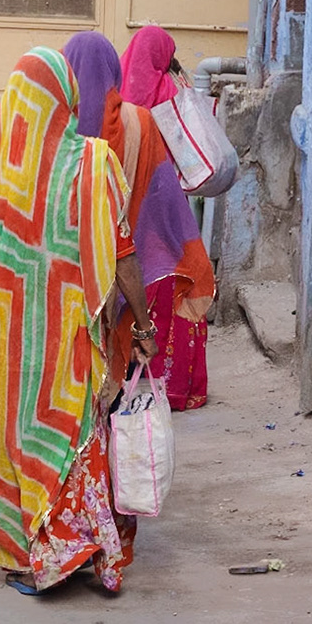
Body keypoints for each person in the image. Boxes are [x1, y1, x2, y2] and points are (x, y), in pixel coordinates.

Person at [0, 47, 157, 595]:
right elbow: (124, 254)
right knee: (68, 430)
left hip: (0, 333)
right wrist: (144, 326)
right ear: (68, 98)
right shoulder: (94, 163)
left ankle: (22, 555)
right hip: (68, 335)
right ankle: (73, 548)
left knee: (4, 435)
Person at [65, 31, 218, 406]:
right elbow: (162, 195)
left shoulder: (55, 127)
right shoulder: (140, 122)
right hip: (123, 252)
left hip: (67, 267)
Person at [116, 26, 217, 410]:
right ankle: (175, 383)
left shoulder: (115, 103)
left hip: (126, 212)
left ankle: (129, 368)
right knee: (179, 279)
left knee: (135, 281)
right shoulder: (170, 97)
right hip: (166, 210)